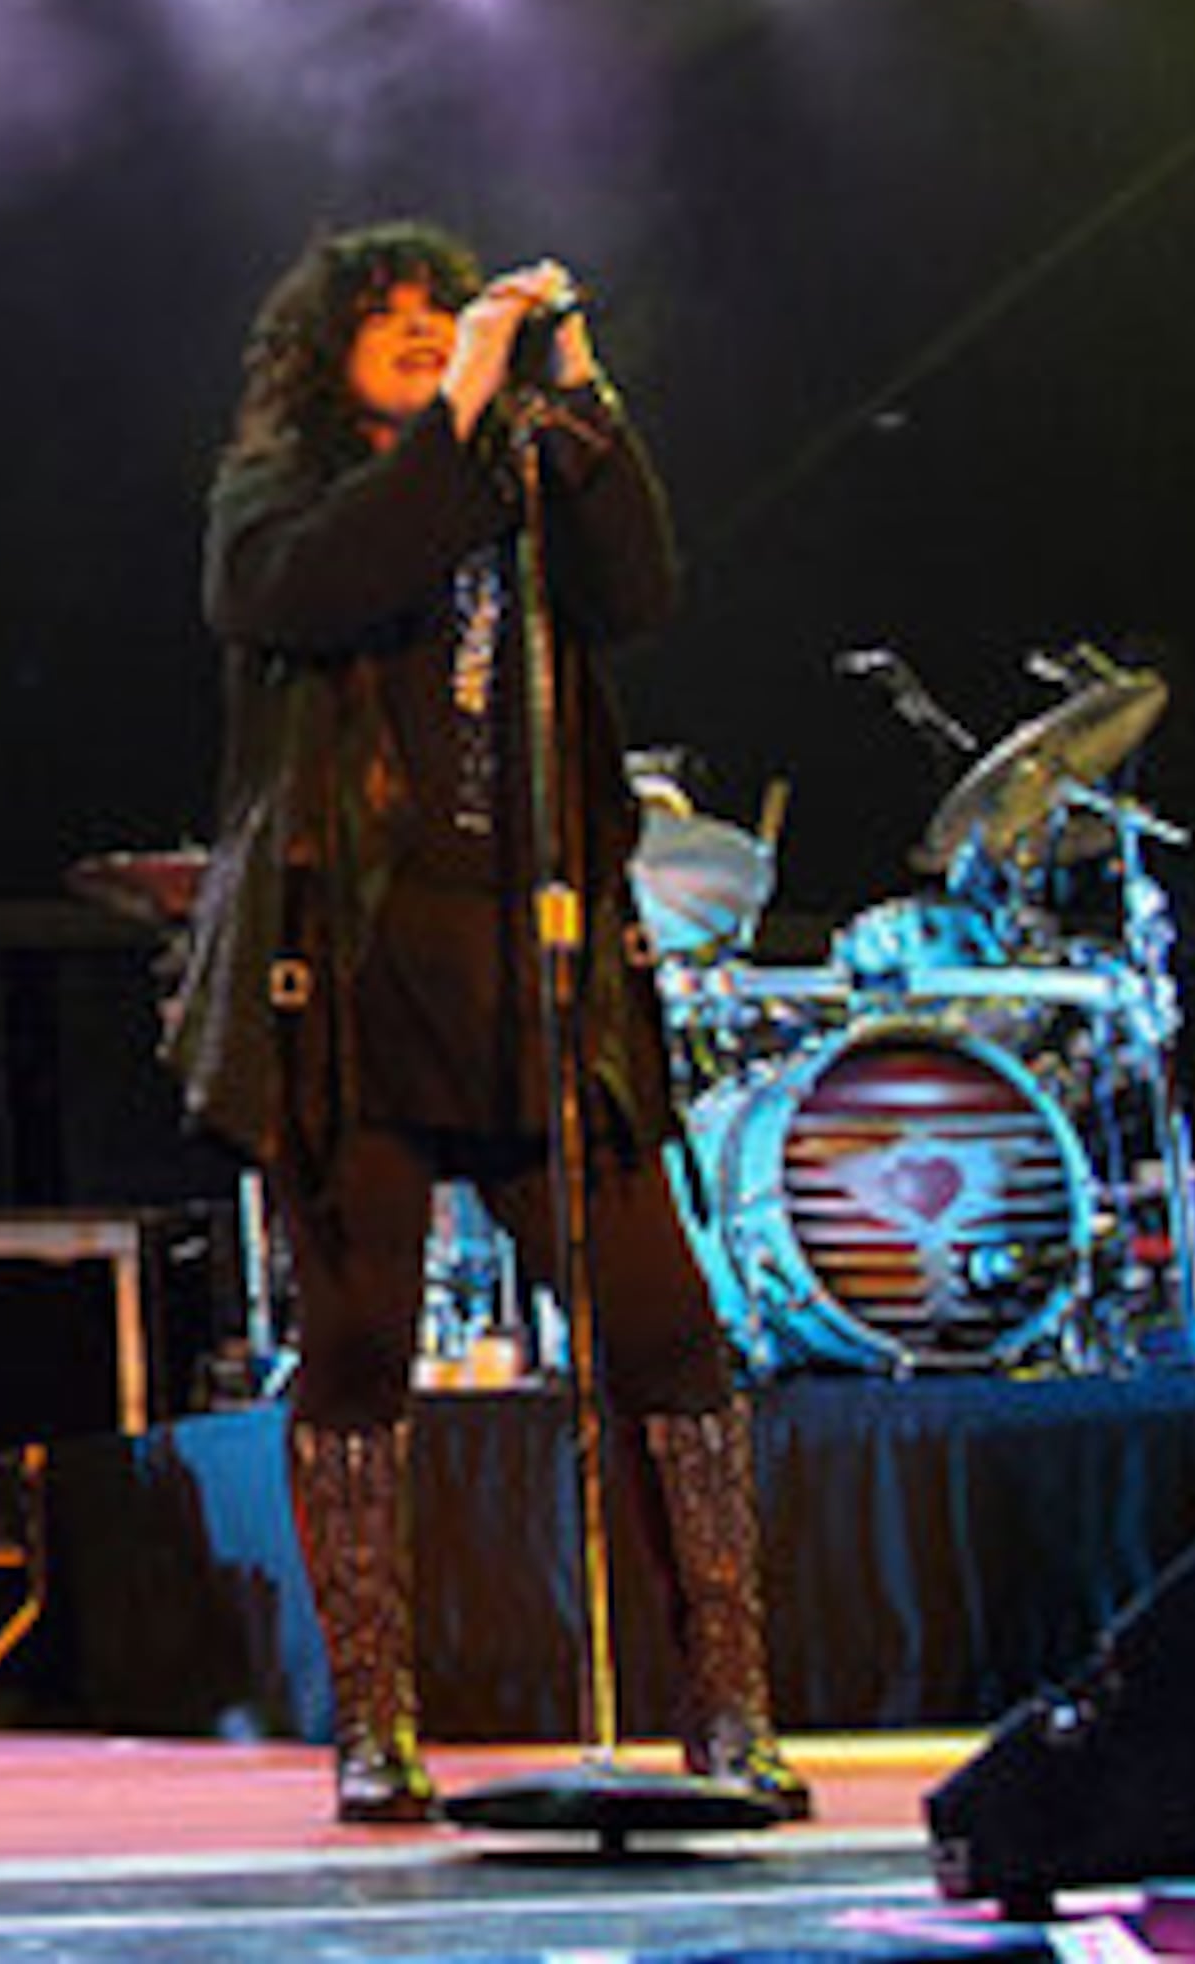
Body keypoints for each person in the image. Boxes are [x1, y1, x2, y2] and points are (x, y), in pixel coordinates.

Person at [162, 223, 804, 1825]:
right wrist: (456, 410)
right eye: (387, 319)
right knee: (359, 1343)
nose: (424, 327)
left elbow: (639, 589)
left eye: (442, 312)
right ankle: (375, 1722)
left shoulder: (525, 484)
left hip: (537, 971)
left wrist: (580, 400)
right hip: (355, 979)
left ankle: (729, 1707)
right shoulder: (278, 501)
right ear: (324, 354)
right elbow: (313, 589)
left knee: (669, 1333)